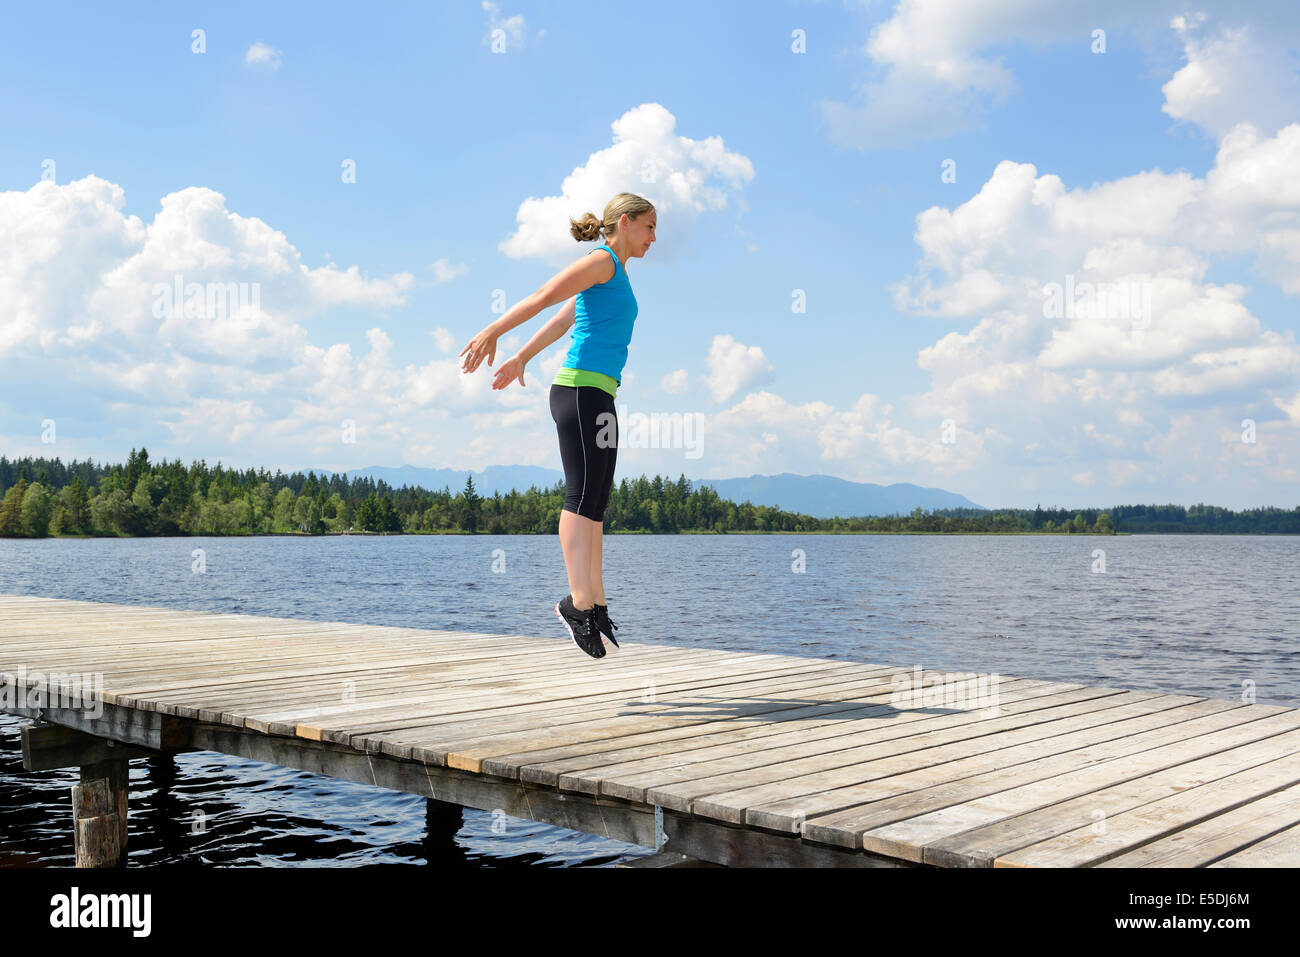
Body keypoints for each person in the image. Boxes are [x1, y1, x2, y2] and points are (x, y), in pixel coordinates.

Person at [459, 193, 655, 659]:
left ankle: (596, 601)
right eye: (649, 227)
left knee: (598, 501)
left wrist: (522, 356)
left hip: (601, 392)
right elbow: (544, 296)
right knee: (581, 495)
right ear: (624, 223)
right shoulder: (601, 261)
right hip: (578, 392)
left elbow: (564, 319)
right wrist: (494, 331)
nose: (653, 238)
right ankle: (576, 604)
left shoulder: (615, 275)